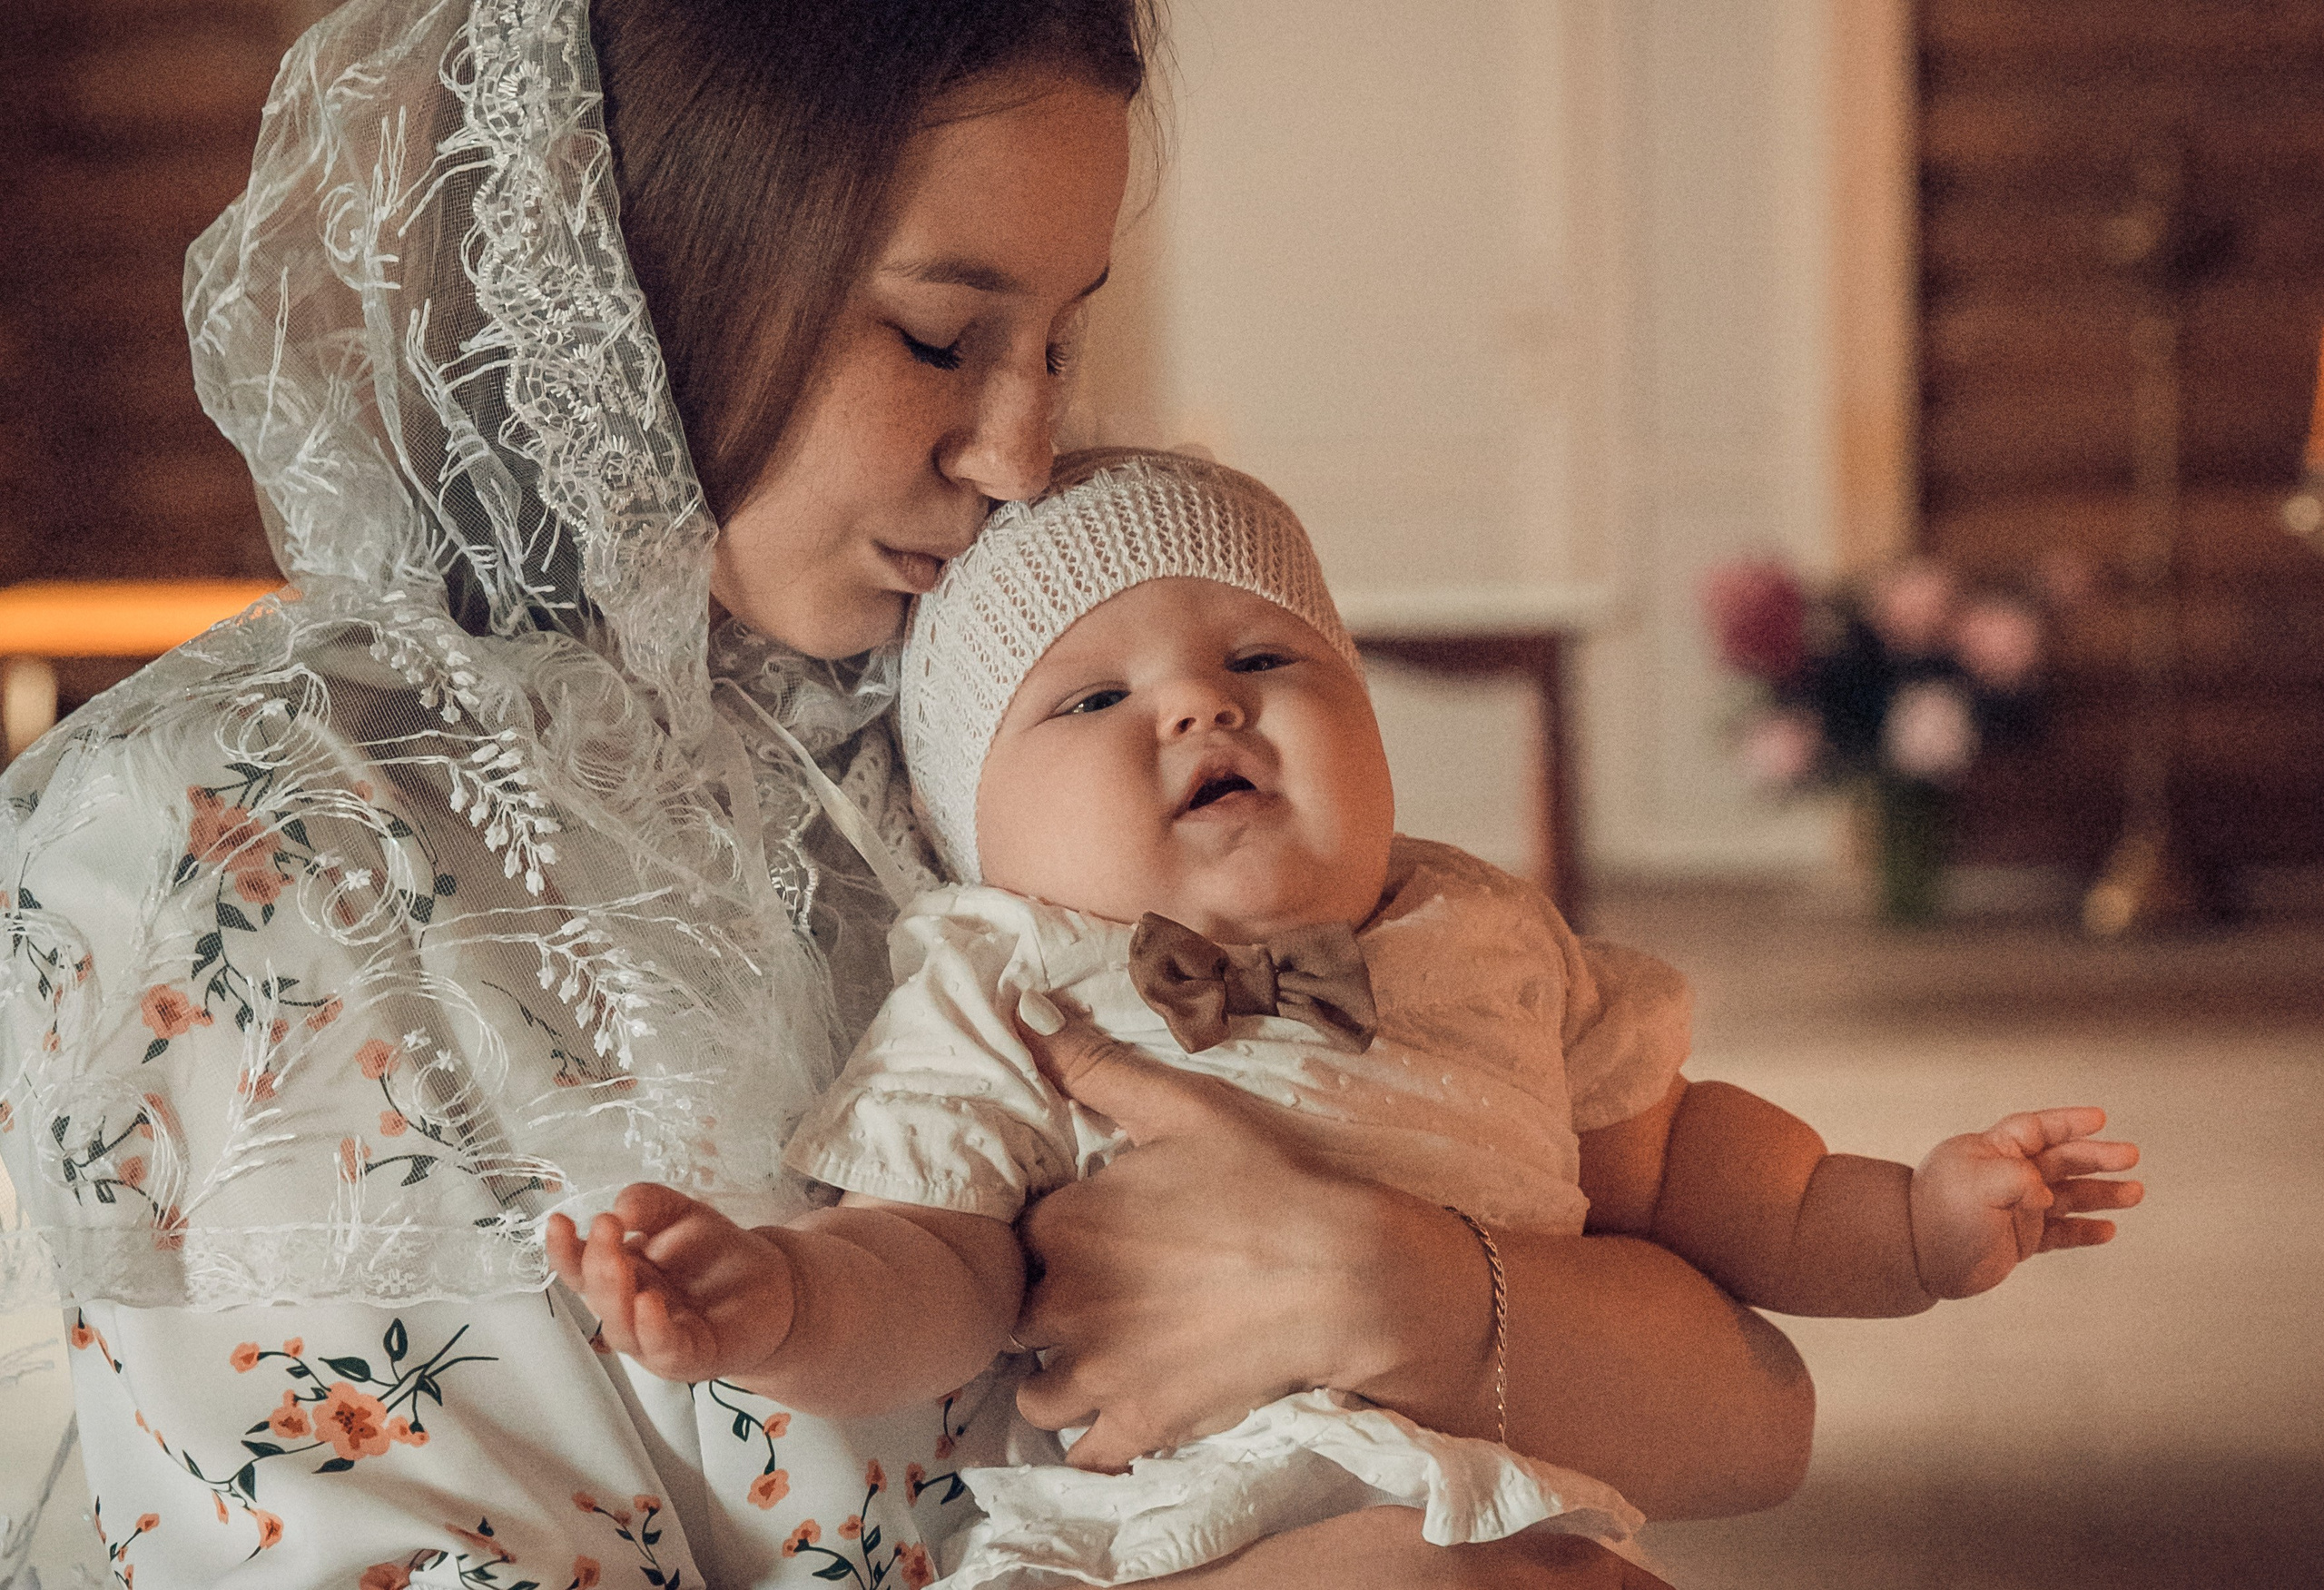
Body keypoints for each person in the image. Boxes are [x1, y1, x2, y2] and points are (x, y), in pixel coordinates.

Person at [0, 2, 1812, 1585]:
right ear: (645, 267)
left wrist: (1390, 1294)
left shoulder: (1013, 709)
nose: (1019, 455)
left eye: (1058, 337)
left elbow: (1746, 1416)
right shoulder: (224, 834)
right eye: (941, 339)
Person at [554, 450, 2146, 1586]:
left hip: (1518, 1484)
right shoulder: (1009, 978)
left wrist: (1911, 1222)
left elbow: (1691, 1167)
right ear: (975, 825)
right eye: (1094, 699)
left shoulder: (1480, 929)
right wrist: (776, 1305)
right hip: (1174, 1542)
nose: (1204, 704)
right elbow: (938, 1265)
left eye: (1264, 656)